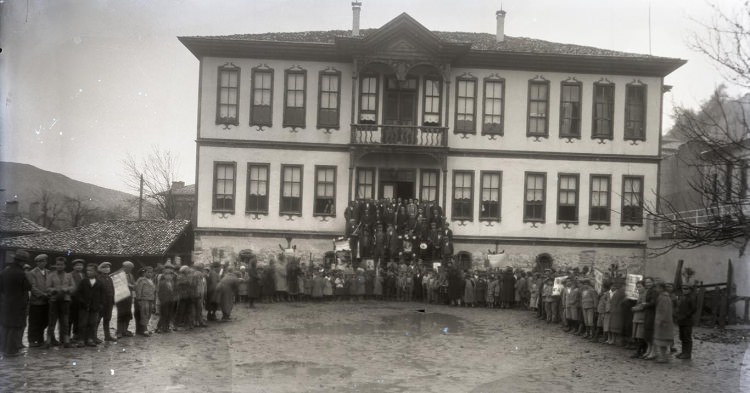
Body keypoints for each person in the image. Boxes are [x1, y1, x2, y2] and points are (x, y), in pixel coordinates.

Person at [0, 250, 32, 357]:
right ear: (22, 262)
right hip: (18, 304)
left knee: (6, 326)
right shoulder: (21, 273)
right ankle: (11, 351)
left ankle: (3, 348)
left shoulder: (5, 270)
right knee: (15, 327)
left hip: (6, 303)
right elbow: (28, 286)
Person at [45, 256, 75, 348]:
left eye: (61, 265)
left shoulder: (69, 276)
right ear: (55, 265)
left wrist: (67, 289)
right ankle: (48, 341)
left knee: (65, 321)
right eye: (58, 264)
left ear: (65, 266)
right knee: (52, 321)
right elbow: (47, 287)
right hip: (54, 301)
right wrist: (53, 290)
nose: (59, 266)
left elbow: (73, 287)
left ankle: (66, 341)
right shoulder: (51, 275)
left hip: (65, 301)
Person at [75, 263, 104, 347]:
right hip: (84, 306)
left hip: (95, 307)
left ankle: (90, 339)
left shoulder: (99, 283)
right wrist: (82, 302)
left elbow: (102, 295)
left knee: (92, 323)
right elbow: (78, 293)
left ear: (95, 272)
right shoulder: (83, 281)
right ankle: (81, 340)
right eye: (87, 270)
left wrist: (100, 305)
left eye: (91, 270)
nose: (88, 272)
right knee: (82, 324)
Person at [27, 253, 50, 347]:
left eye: (44, 261)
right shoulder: (32, 273)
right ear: (36, 263)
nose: (42, 263)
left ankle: (40, 339)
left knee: (44, 321)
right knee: (34, 322)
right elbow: (33, 287)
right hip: (36, 302)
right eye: (40, 261)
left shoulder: (48, 272)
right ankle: (32, 340)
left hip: (46, 301)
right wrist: (42, 294)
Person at [674, 284, 697, 359]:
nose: (684, 290)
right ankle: (684, 352)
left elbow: (693, 309)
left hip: (687, 321)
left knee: (687, 337)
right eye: (683, 289)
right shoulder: (681, 297)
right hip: (681, 320)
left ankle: (688, 353)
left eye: (686, 289)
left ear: (690, 290)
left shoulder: (691, 298)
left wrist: (686, 315)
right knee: (682, 337)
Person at [653, 282, 675, 363]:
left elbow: (666, 311)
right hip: (661, 321)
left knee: (663, 341)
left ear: (661, 288)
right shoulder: (661, 296)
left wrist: (661, 320)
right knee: (661, 340)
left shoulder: (665, 297)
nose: (656, 289)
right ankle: (663, 356)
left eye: (657, 288)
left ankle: (664, 357)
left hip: (664, 322)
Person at [116, 261, 136, 338]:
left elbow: (134, 284)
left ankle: (125, 330)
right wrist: (129, 285)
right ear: (124, 267)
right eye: (129, 268)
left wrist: (133, 285)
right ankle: (119, 331)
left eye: (131, 268)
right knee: (121, 314)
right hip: (120, 298)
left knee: (127, 314)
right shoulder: (118, 275)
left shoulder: (131, 275)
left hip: (128, 297)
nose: (130, 270)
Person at [134, 267, 156, 336]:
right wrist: (139, 299)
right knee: (144, 314)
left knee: (149, 314)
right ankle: (144, 330)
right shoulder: (142, 280)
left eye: (151, 272)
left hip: (150, 299)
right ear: (145, 273)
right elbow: (139, 290)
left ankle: (144, 329)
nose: (150, 274)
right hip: (144, 299)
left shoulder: (151, 280)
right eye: (148, 272)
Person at [68, 259, 86, 342]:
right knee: (71, 317)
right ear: (73, 266)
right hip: (73, 299)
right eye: (77, 265)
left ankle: (76, 334)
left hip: (81, 299)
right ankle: (67, 335)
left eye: (81, 265)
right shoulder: (70, 275)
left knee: (79, 317)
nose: (79, 267)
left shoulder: (83, 275)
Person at [156, 262, 176, 333]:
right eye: (168, 275)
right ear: (165, 275)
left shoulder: (172, 282)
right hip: (164, 301)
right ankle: (159, 327)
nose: (170, 276)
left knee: (169, 314)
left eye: (171, 275)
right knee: (163, 314)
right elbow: (160, 293)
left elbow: (173, 291)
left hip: (170, 300)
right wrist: (162, 300)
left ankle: (166, 327)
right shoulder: (162, 283)